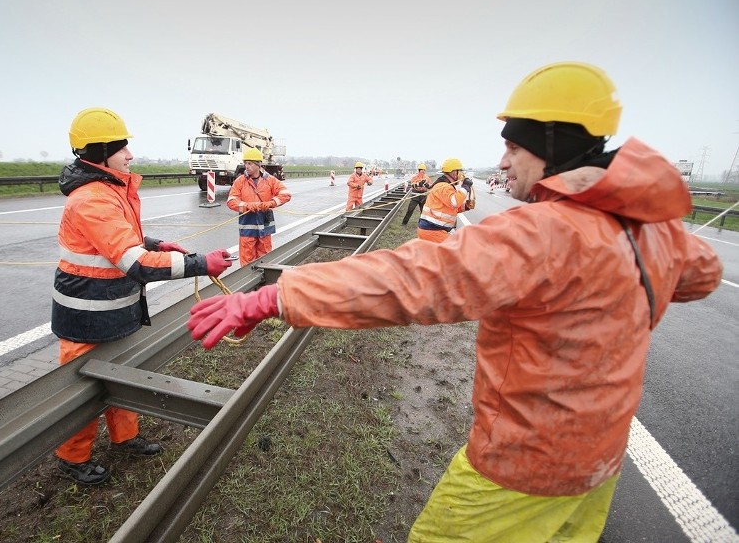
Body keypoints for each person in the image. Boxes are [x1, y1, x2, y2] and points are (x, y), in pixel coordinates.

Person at [186, 61, 723, 542]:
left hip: (520, 468)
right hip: (598, 466)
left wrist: (278, 296)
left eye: (515, 147)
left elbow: (412, 278)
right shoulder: (655, 235)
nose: (503, 161)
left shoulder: (544, 234)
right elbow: (702, 275)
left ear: (552, 146)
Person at [52, 107, 233, 485]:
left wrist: (154, 241)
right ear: (101, 152)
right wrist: (203, 263)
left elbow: (121, 242)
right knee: (82, 394)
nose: (130, 155)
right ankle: (72, 457)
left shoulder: (110, 190)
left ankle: (125, 438)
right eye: (122, 148)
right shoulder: (93, 199)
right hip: (87, 314)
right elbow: (138, 265)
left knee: (124, 375)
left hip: (113, 308)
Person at [227, 147, 292, 266]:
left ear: (258, 165)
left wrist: (270, 203)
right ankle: (249, 283)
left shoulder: (270, 180)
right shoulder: (240, 181)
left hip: (264, 228)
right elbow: (231, 201)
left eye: (250, 163)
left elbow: (285, 194)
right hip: (247, 228)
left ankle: (264, 283)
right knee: (247, 262)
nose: (247, 166)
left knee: (265, 259)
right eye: (245, 163)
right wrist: (247, 206)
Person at [416, 158, 473, 242]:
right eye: (460, 171)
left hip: (434, 230)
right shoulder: (444, 186)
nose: (461, 174)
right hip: (433, 231)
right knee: (456, 250)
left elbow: (449, 207)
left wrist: (466, 206)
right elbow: (455, 202)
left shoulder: (445, 186)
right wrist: (465, 187)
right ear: (454, 172)